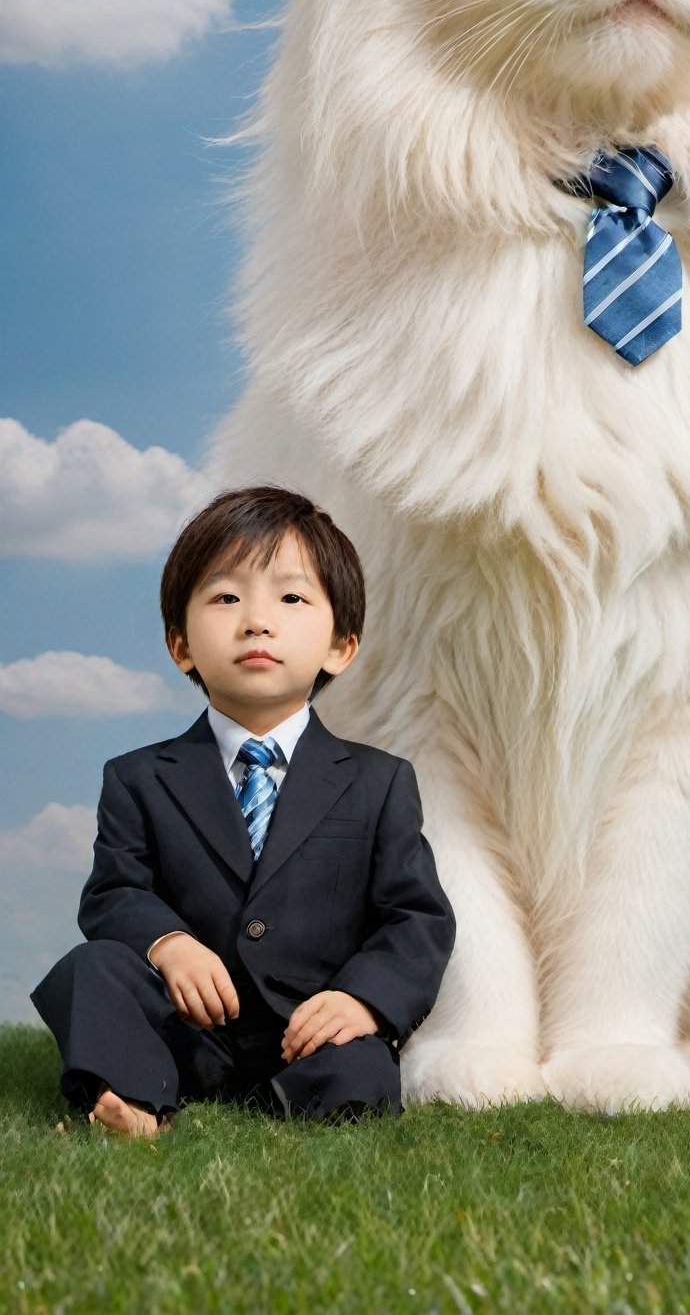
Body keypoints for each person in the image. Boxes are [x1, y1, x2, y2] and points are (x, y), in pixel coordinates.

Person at [31, 485, 455, 1136]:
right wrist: (167, 944)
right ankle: (135, 1101)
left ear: (341, 645)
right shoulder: (138, 777)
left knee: (361, 1069)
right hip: (185, 1029)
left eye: (291, 598)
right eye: (226, 597)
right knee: (90, 969)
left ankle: (295, 1104)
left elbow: (415, 916)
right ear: (181, 646)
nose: (257, 620)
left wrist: (362, 1000)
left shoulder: (379, 781)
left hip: (311, 1036)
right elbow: (114, 892)